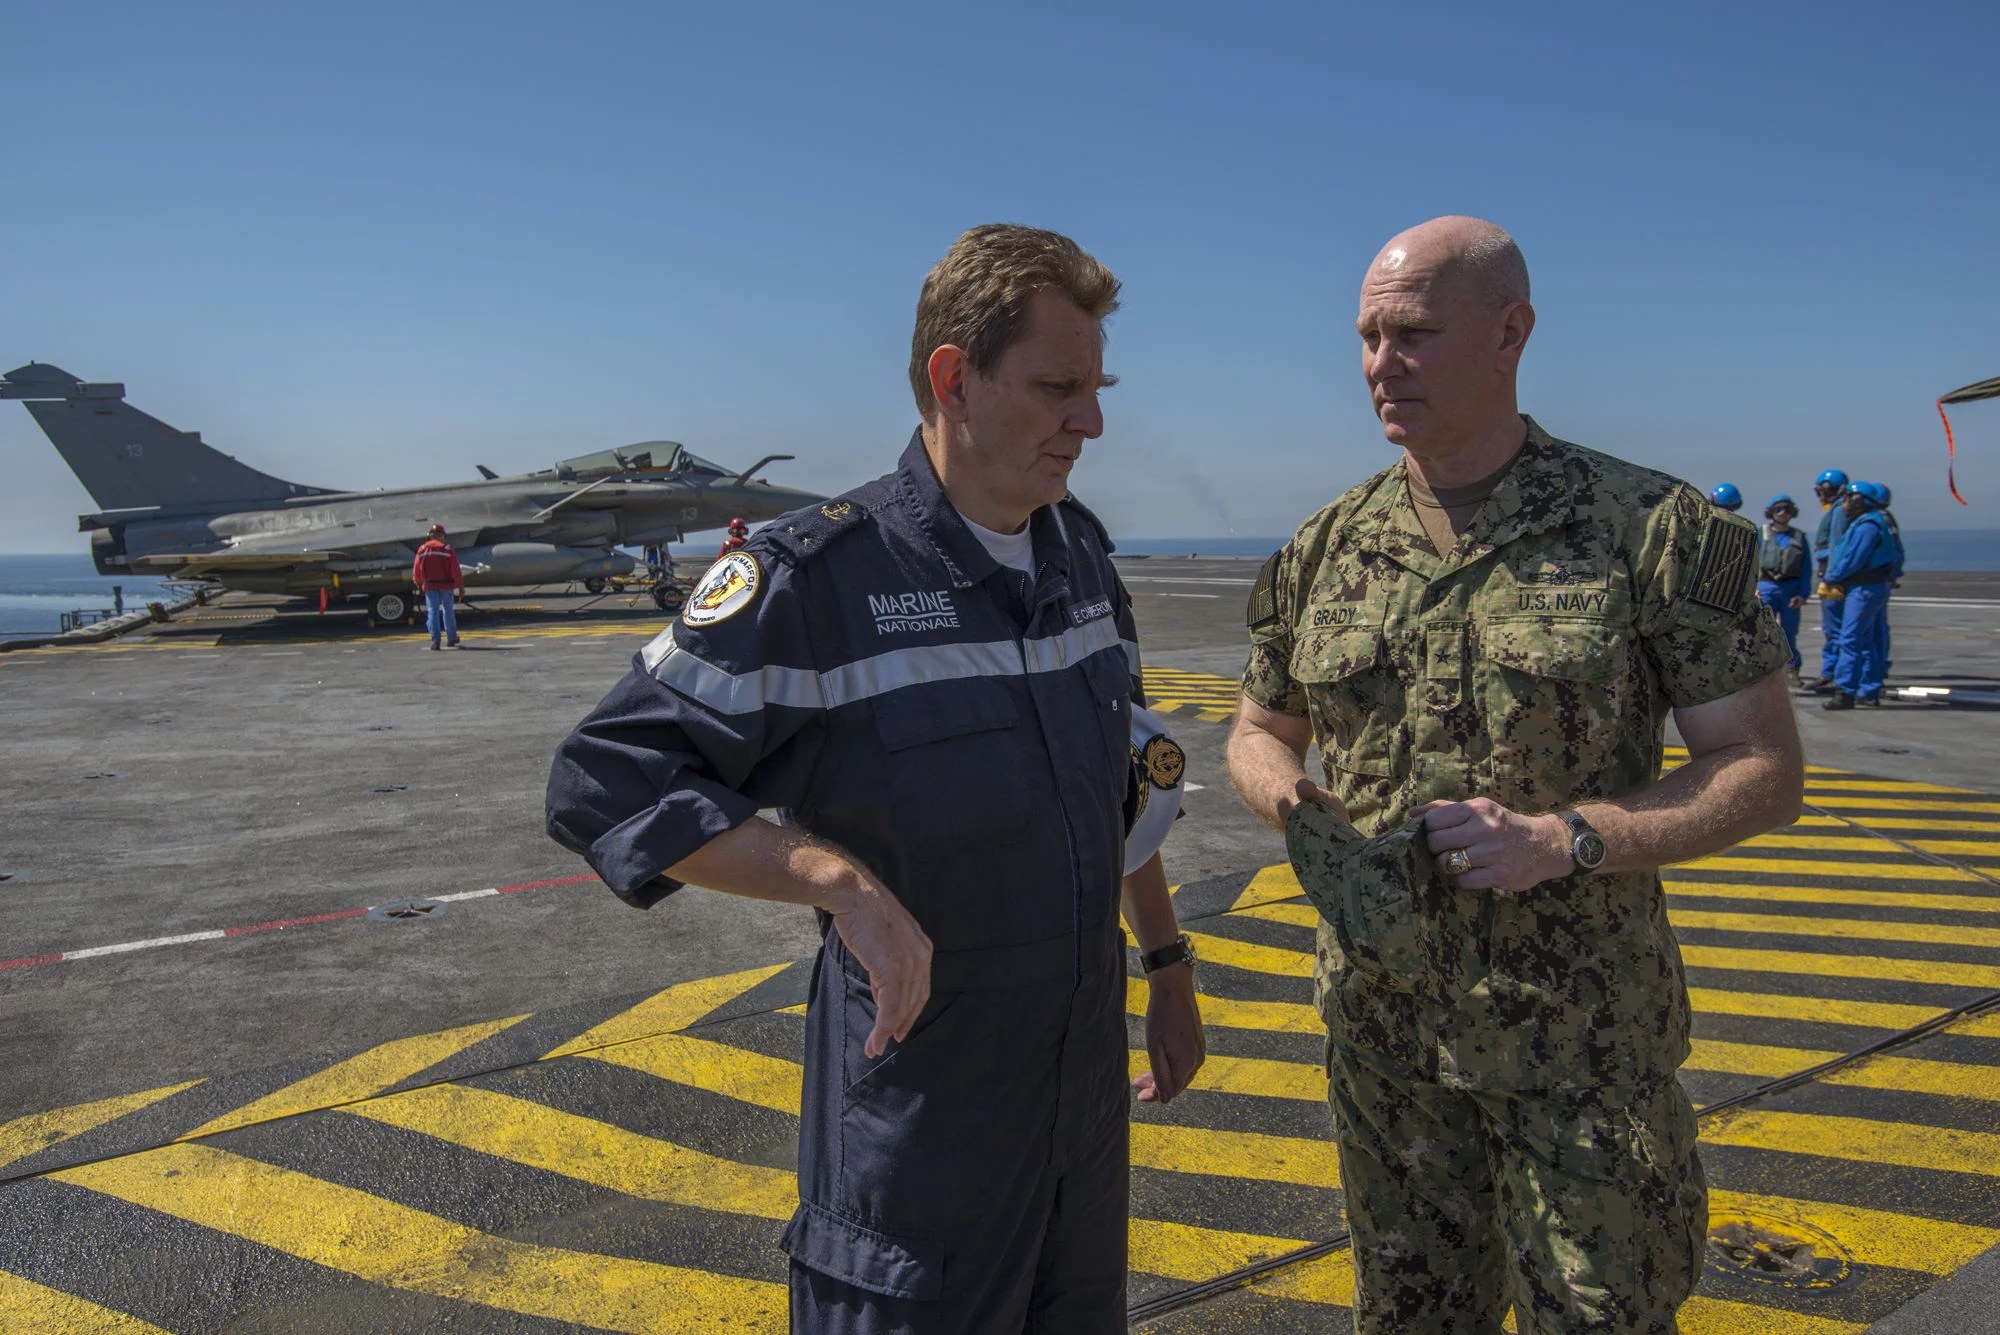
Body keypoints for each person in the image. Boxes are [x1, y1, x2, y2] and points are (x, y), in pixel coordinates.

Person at [546, 224, 1204, 1333]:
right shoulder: (812, 579)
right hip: (921, 1137)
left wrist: (1168, 963)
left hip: (1079, 1112)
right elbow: (603, 782)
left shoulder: (1079, 558)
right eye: (1057, 388)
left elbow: (1121, 782)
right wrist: (836, 884)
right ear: (954, 378)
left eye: (1097, 389)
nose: (1090, 422)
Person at [1226, 216, 1804, 1335]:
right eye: (1364, 337)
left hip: (1578, 1045)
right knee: (1407, 1317)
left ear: (1509, 334)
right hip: (1383, 1040)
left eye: (1411, 335)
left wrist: (1571, 837)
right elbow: (1256, 733)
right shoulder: (1320, 549)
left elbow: (1759, 767)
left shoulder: (1648, 530)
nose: (1378, 367)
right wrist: (1295, 809)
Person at [1821, 480, 1904, 710]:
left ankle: (1845, 691)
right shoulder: (1875, 522)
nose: (1844, 503)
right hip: (1871, 587)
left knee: (1851, 638)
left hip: (1864, 589)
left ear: (1858, 501)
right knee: (1867, 639)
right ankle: (1868, 689)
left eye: (1847, 498)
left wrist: (1831, 578)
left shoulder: (1867, 526)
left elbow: (1852, 559)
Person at [1758, 494, 1812, 685]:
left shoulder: (1798, 537)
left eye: (1787, 509)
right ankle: (1764, 671)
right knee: (1762, 631)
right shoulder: (1760, 534)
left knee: (1789, 632)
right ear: (1770, 513)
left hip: (1790, 589)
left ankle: (1792, 670)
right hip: (1765, 587)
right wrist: (1753, 589)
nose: (1783, 513)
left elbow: (1806, 568)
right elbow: (1750, 563)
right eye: (1778, 509)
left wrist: (1803, 594)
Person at [1809, 468, 1852, 691]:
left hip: (1833, 576)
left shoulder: (1838, 512)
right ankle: (1836, 673)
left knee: (1835, 630)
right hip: (1836, 574)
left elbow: (1836, 546)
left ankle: (1833, 674)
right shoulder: (1839, 510)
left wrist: (1831, 577)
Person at [411, 524, 463, 650]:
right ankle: (451, 638)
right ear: (441, 535)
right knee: (448, 610)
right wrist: (460, 586)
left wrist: (418, 584)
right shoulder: (447, 550)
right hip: (446, 586)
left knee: (432, 611)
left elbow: (416, 569)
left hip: (430, 586)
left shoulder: (422, 550)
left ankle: (435, 641)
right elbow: (455, 570)